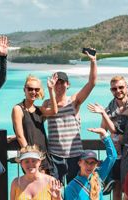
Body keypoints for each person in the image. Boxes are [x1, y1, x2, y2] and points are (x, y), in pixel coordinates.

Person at [41, 50, 98, 183]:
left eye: (62, 82)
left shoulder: (74, 101)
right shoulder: (47, 103)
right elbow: (36, 123)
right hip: (55, 156)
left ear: (68, 84)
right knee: (54, 191)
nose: (59, 85)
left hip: (75, 156)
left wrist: (93, 61)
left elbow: (92, 83)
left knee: (75, 191)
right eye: (57, 82)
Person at [12, 74, 51, 175]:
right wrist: (30, 157)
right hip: (31, 158)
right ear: (24, 90)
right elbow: (20, 136)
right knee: (32, 188)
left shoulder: (39, 110)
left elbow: (54, 111)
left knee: (44, 189)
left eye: (36, 89)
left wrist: (51, 90)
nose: (33, 92)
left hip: (44, 154)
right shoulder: (18, 109)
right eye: (30, 89)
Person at [63, 128, 117, 200]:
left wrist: (104, 134)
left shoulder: (98, 176)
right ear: (79, 163)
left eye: (92, 163)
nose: (89, 166)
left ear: (96, 164)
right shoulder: (71, 188)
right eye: (86, 162)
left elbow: (112, 156)